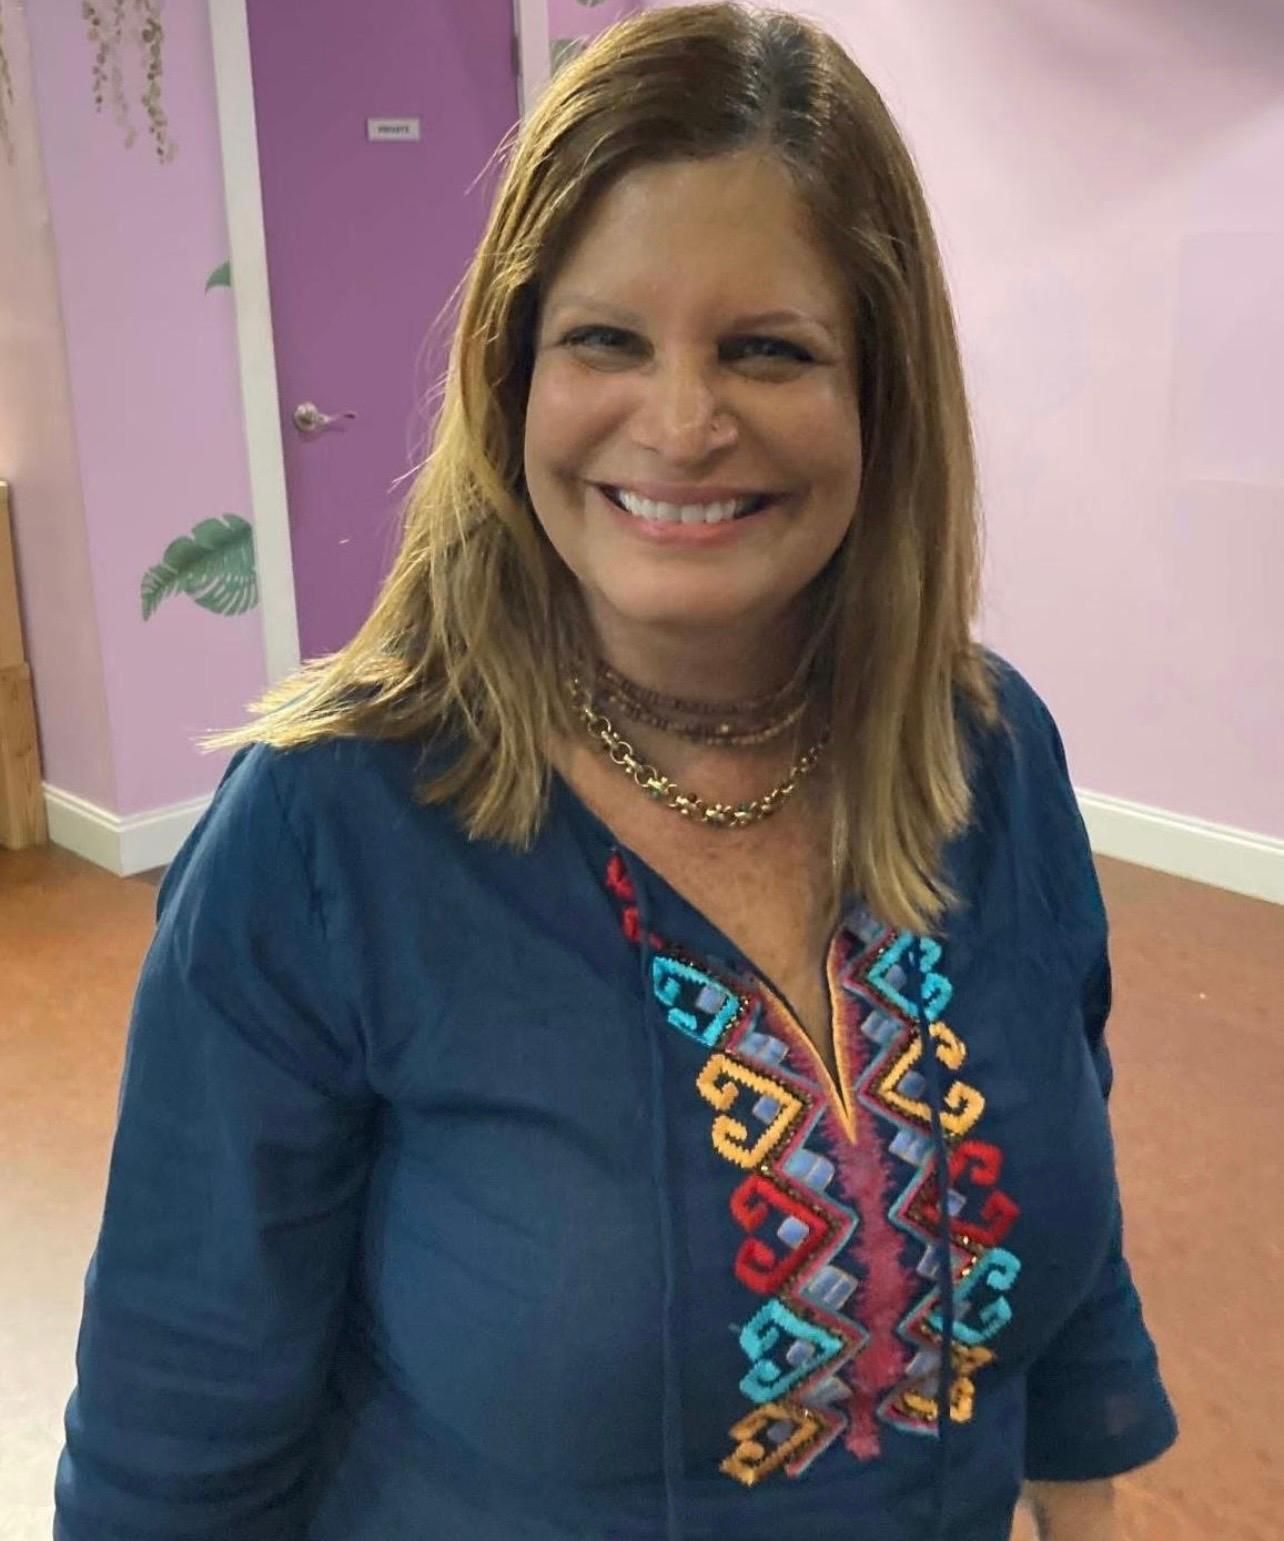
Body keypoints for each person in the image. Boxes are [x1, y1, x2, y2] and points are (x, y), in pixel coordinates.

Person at [53, 5, 1177, 1539]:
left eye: (768, 348)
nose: (684, 423)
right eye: (605, 340)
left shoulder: (990, 756)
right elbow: (167, 1451)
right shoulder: (324, 837)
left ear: (883, 394)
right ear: (511, 375)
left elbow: (1065, 1239)